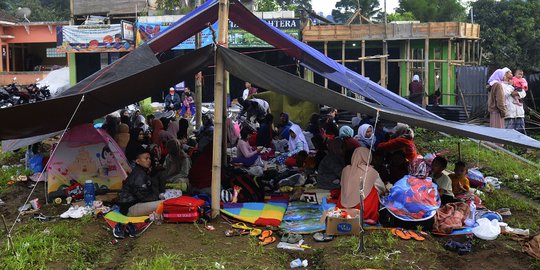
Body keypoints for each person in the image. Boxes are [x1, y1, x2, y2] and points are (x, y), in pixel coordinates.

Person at [338, 147, 386, 223]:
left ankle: (347, 213)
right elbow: (382, 188)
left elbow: (342, 185)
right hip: (363, 209)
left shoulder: (345, 170)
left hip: (343, 206)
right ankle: (368, 216)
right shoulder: (371, 171)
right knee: (374, 189)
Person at [117, 148, 162, 215]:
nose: (149, 161)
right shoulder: (139, 174)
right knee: (164, 203)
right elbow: (143, 195)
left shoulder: (140, 172)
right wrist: (157, 197)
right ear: (137, 161)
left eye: (149, 158)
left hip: (132, 206)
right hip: (130, 208)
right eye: (146, 159)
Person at [502, 69, 527, 134]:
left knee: (521, 135)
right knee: (508, 134)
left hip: (519, 113)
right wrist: (510, 86)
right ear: (504, 75)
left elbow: (524, 93)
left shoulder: (518, 82)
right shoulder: (501, 85)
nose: (511, 74)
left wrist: (517, 93)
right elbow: (504, 94)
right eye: (509, 73)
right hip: (509, 113)